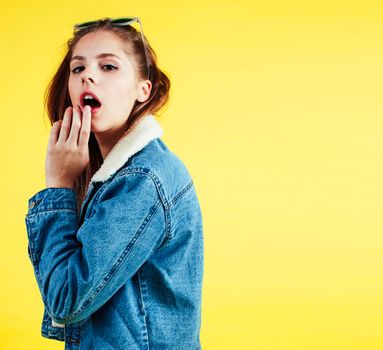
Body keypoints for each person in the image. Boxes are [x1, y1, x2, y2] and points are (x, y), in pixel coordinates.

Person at [24, 17, 204, 349]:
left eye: (108, 66)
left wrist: (58, 187)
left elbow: (67, 300)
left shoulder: (142, 180)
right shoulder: (112, 174)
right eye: (78, 69)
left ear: (142, 89)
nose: (87, 76)